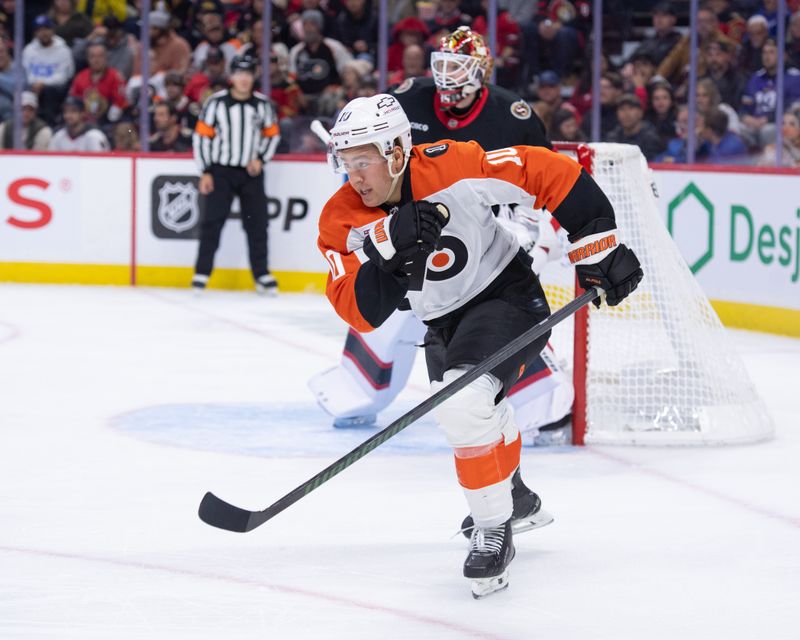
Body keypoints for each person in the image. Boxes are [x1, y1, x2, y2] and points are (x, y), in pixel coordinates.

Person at [317, 93, 642, 597]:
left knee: (464, 403)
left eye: (365, 161)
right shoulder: (342, 218)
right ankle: (517, 498)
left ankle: (494, 529)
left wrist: (597, 246)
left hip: (507, 297)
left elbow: (546, 170)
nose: (354, 176)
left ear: (399, 150)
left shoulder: (453, 163)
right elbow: (359, 310)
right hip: (441, 325)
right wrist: (389, 247)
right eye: (346, 162)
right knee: (476, 412)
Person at [309, 27, 571, 447]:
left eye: (457, 66)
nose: (446, 76)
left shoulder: (512, 114)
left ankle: (544, 403)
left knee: (493, 305)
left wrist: (532, 232)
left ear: (479, 71)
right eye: (441, 65)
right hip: (405, 226)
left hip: (480, 225)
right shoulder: (409, 97)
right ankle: (358, 386)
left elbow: (538, 175)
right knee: (383, 299)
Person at [191, 53, 281, 294]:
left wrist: (261, 158)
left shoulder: (262, 105)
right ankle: (201, 272)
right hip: (221, 172)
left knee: (257, 224)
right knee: (212, 222)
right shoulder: (216, 103)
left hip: (251, 174)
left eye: (248, 74)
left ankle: (261, 274)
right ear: (231, 76)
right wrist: (206, 170)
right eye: (239, 73)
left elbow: (272, 135)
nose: (244, 79)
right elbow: (201, 137)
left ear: (254, 77)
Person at [22, 14, 75, 125]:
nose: (43, 33)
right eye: (39, 30)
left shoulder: (63, 50)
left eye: (46, 29)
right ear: (35, 33)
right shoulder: (29, 50)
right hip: (33, 87)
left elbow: (63, 77)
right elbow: (26, 72)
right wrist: (35, 84)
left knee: (49, 91)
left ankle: (50, 124)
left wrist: (43, 83)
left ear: (52, 29)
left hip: (57, 89)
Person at [69, 41, 128, 126]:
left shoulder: (116, 76)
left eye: (100, 56)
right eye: (92, 56)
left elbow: (120, 101)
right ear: (88, 59)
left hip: (109, 121)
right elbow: (73, 100)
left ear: (106, 57)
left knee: (129, 130)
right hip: (84, 122)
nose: (96, 60)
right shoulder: (80, 77)